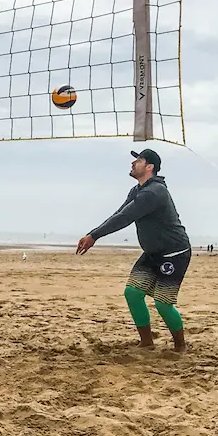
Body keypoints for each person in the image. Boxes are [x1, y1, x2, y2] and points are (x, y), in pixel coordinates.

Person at [76, 148, 190, 352]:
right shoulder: (137, 191)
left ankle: (180, 347)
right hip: (152, 253)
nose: (132, 164)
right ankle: (146, 342)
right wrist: (93, 233)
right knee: (133, 293)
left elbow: (125, 218)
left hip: (174, 254)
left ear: (149, 167)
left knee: (163, 304)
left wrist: (94, 236)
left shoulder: (154, 192)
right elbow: (119, 213)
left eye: (138, 160)